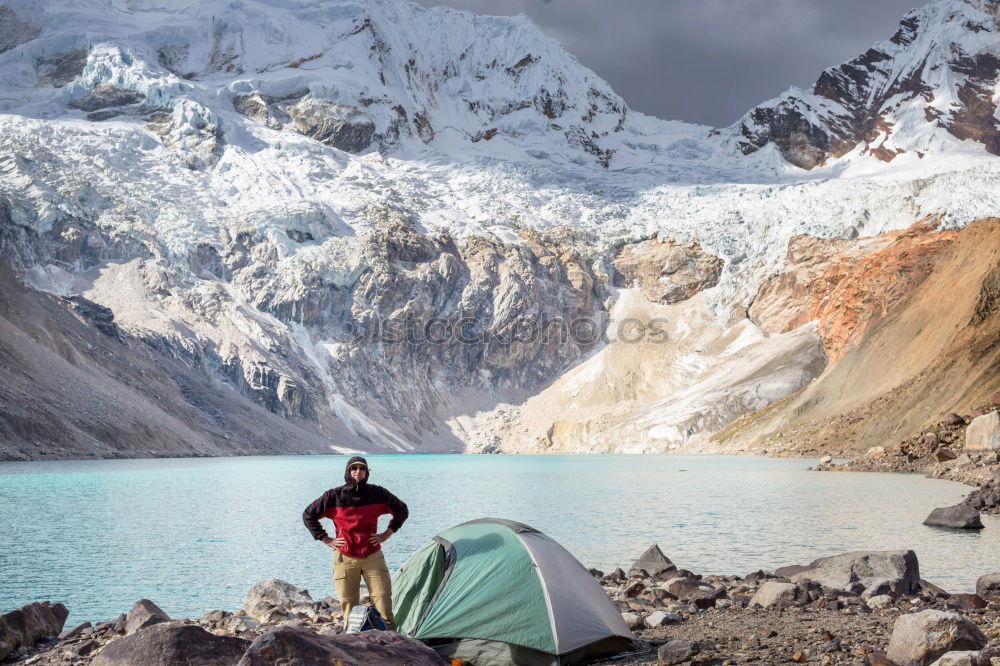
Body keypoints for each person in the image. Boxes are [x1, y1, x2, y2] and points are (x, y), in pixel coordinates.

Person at [302, 456, 408, 630]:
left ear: (367, 472)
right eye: (354, 468)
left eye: (362, 468)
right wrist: (326, 539)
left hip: (373, 556)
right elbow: (308, 515)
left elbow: (402, 509)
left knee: (383, 603)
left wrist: (386, 534)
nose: (357, 471)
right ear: (348, 472)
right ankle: (353, 647)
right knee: (349, 608)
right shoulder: (334, 496)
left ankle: (391, 647)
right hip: (345, 558)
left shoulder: (377, 493)